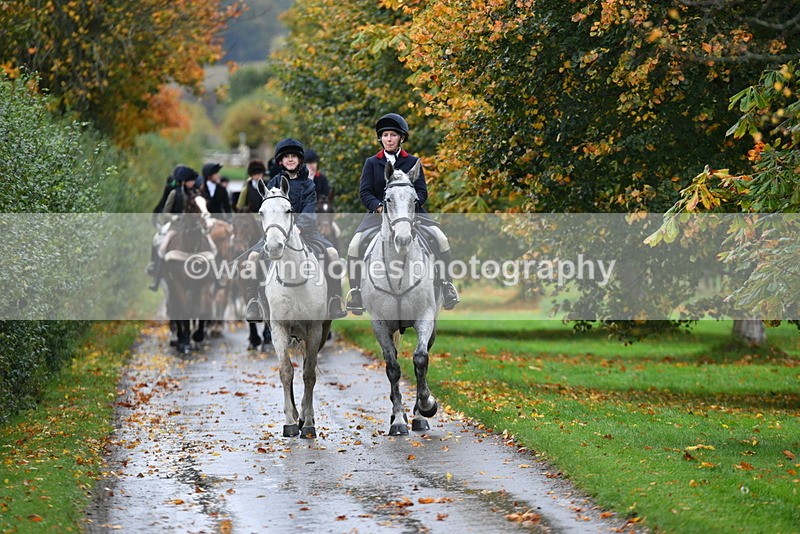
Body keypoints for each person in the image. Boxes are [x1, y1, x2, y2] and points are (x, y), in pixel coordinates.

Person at [345, 113, 460, 313]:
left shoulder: (413, 162)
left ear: (401, 138)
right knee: (354, 245)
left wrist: (410, 207)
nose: (388, 139)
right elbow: (365, 192)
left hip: (411, 214)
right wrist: (378, 206)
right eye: (385, 135)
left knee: (441, 239)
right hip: (379, 215)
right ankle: (356, 291)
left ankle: (446, 284)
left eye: (393, 135)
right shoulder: (371, 162)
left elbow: (422, 191)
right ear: (380, 138)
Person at [243, 138, 347, 322]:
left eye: (293, 156)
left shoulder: (308, 184)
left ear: (299, 160)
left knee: (332, 253)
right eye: (286, 157)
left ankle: (334, 298)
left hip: (305, 232)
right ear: (281, 161)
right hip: (277, 232)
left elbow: (309, 209)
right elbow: (269, 209)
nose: (290, 159)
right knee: (252, 258)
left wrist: (299, 226)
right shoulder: (273, 183)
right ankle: (253, 302)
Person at [148, 164, 200, 291]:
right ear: (185, 182)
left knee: (210, 243)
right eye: (190, 181)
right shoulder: (174, 193)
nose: (193, 183)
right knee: (162, 246)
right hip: (176, 228)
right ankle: (156, 278)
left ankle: (215, 277)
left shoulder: (196, 194)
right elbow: (165, 212)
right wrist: (174, 217)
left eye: (193, 181)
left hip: (193, 229)